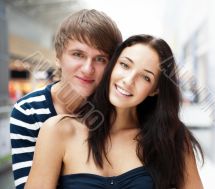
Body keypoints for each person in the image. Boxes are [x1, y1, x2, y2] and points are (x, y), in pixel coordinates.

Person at [25, 34, 204, 189]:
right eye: (125, 65)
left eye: (145, 77)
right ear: (112, 66)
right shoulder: (59, 130)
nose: (128, 80)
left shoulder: (172, 138)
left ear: (155, 90)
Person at [9, 9, 122, 189]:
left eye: (100, 59)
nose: (87, 69)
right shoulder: (28, 110)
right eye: (78, 54)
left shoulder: (119, 109)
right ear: (58, 57)